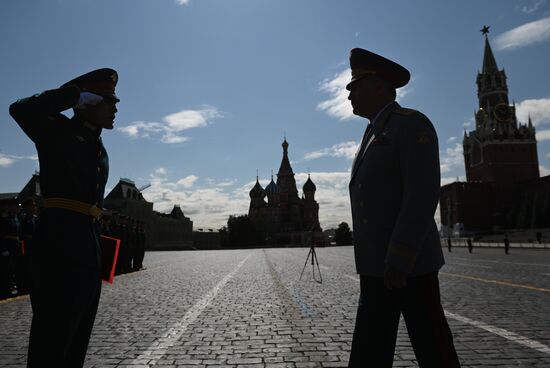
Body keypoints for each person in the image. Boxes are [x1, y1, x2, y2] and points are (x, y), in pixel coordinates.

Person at [346, 48, 460, 367]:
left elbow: (421, 194)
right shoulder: (373, 133)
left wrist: (400, 255)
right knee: (369, 352)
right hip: (376, 267)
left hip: (409, 267)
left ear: (380, 86)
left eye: (357, 85)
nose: (350, 93)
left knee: (433, 349)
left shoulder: (411, 126)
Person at [9, 68, 119, 368]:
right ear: (89, 101)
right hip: (60, 246)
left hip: (88, 248)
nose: (116, 108)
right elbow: (20, 109)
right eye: (108, 101)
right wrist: (73, 96)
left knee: (76, 345)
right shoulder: (57, 131)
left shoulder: (98, 146)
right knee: (51, 345)